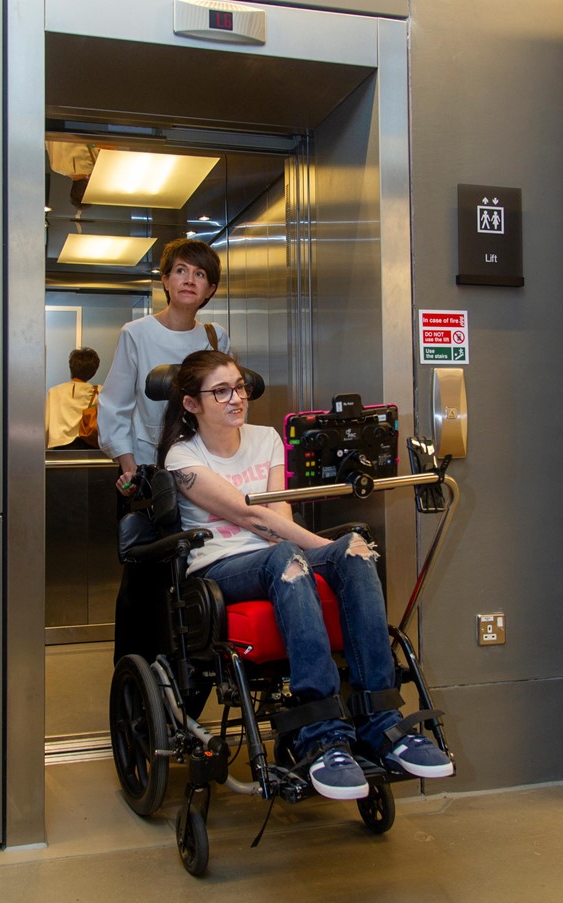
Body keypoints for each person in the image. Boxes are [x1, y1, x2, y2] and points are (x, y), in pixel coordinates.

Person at [158, 350, 454, 802]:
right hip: (220, 570)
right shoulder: (182, 457)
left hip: (280, 555)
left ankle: (381, 722)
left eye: (240, 387)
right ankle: (322, 735)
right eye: (221, 391)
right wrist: (317, 550)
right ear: (191, 403)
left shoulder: (266, 439)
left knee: (356, 550)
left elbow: (280, 512)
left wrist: (336, 552)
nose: (236, 398)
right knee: (295, 557)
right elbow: (248, 516)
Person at [97, 238, 231, 662]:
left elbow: (226, 403)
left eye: (201, 274)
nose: (190, 280)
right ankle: (138, 674)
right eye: (181, 271)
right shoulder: (137, 334)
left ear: (210, 290)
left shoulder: (216, 336)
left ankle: (188, 671)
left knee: (198, 569)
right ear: (165, 280)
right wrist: (130, 469)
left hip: (202, 473)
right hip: (153, 477)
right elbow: (115, 404)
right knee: (146, 582)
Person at [45, 347, 101, 450]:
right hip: (89, 450)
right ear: (93, 372)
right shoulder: (99, 393)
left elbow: (45, 426)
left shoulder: (54, 392)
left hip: (59, 449)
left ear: (71, 367)